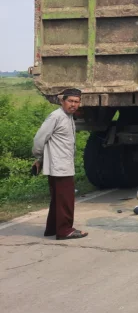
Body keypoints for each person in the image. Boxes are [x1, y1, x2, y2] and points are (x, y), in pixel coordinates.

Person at [31, 88, 88, 240]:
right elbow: (39, 139)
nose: (73, 105)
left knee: (58, 199)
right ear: (62, 101)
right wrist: (38, 157)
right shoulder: (56, 116)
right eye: (70, 101)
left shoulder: (68, 116)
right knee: (65, 200)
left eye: (76, 102)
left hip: (63, 164)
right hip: (59, 166)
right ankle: (64, 230)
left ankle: (52, 229)